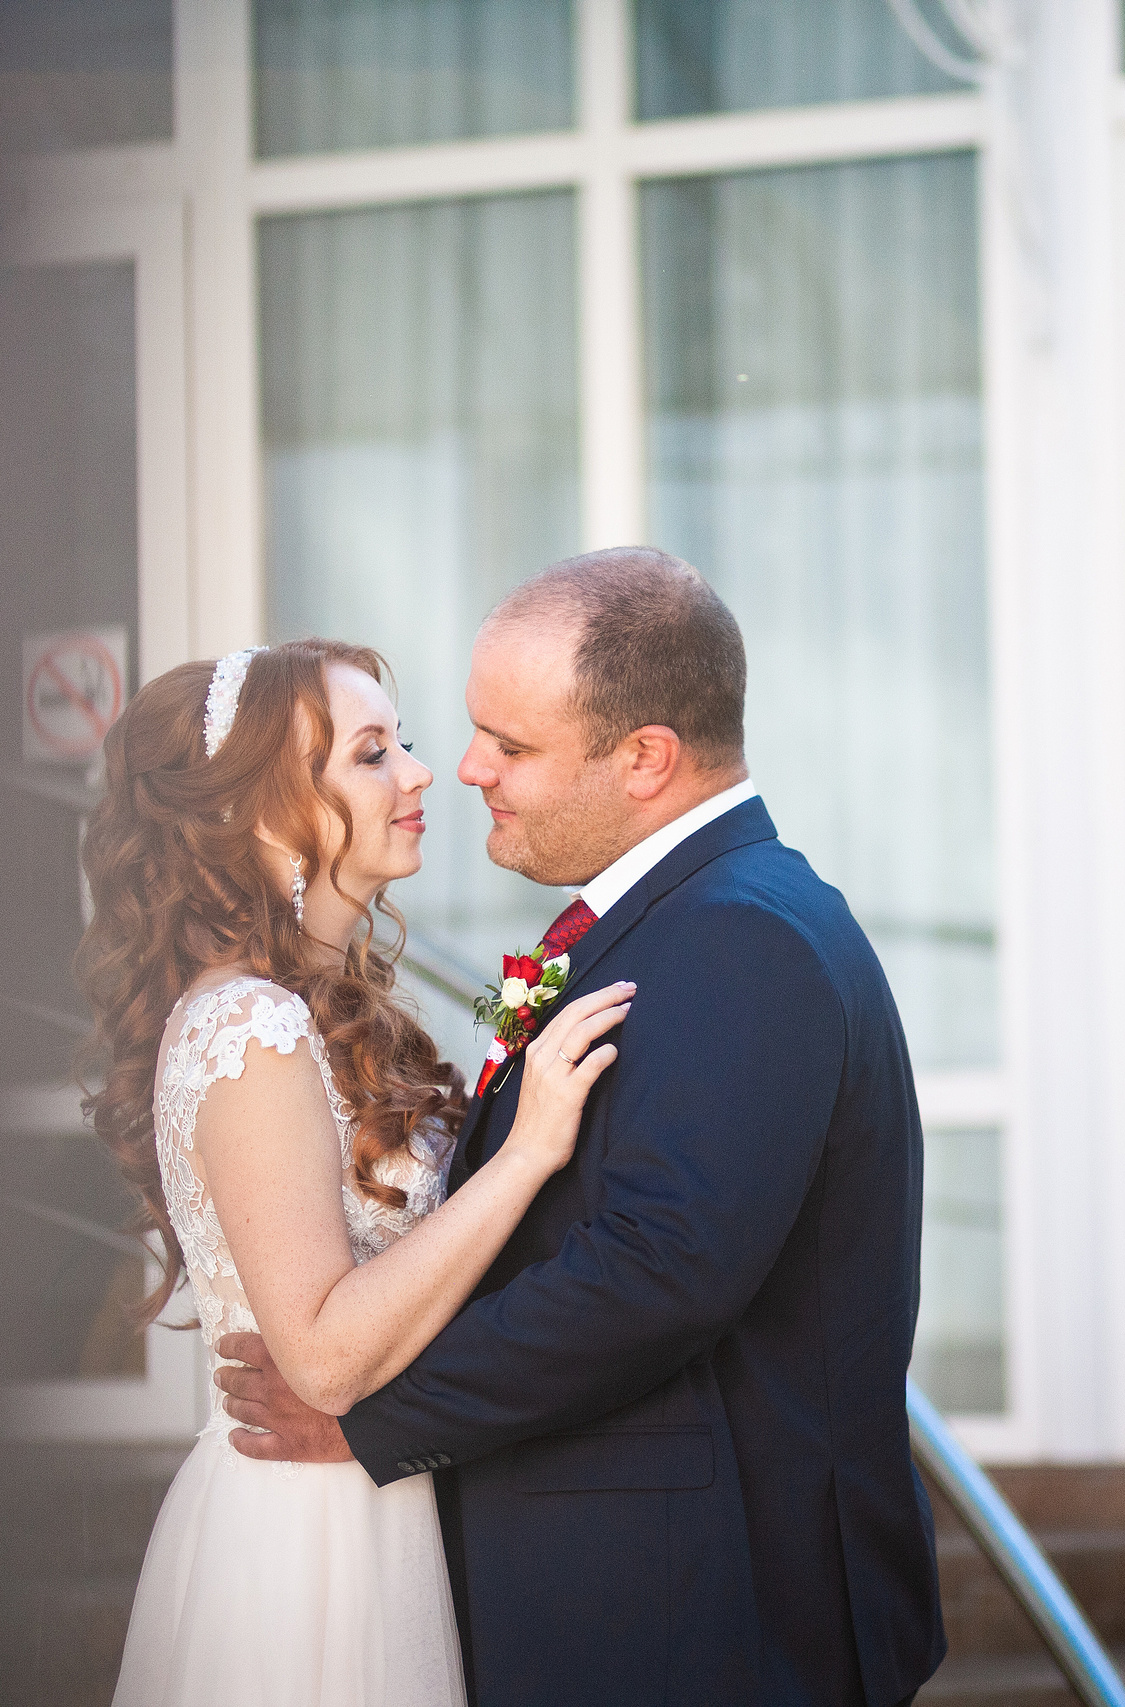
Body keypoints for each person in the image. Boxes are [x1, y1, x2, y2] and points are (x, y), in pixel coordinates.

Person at [220, 549, 948, 1706]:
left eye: (510, 746)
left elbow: (657, 1271)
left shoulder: (739, 939)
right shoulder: (673, 921)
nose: (464, 771)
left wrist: (372, 1423)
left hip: (695, 1614)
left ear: (645, 758)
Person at [80, 637, 633, 1707]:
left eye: (402, 744)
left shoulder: (327, 1014)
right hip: (305, 1544)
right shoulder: (248, 1026)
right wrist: (524, 1158)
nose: (423, 773)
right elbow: (325, 1361)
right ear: (264, 813)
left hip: (376, 1505)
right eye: (372, 754)